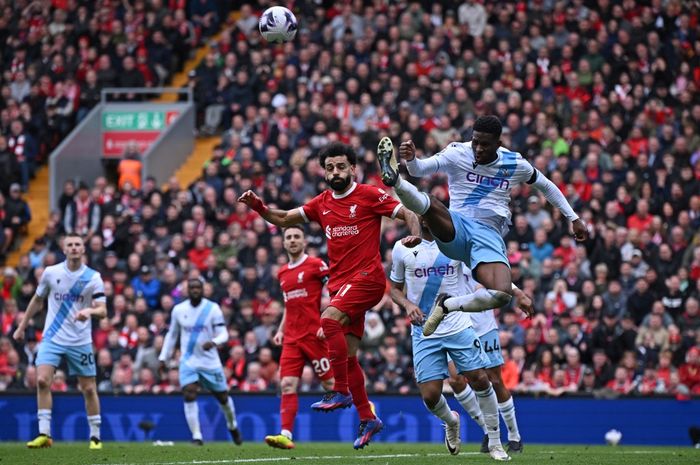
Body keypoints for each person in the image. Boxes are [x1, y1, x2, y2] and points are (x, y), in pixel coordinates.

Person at [239, 142, 420, 449]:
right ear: (324, 172)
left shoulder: (369, 194)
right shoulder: (321, 203)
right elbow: (284, 219)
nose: (335, 172)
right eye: (330, 167)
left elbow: (408, 212)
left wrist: (414, 233)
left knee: (328, 318)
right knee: (349, 358)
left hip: (368, 279)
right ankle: (368, 417)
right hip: (341, 285)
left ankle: (340, 391)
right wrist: (259, 207)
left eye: (341, 166)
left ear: (353, 169)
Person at [377, 116, 587, 335]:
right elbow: (420, 170)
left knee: (502, 294)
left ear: (498, 142)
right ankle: (396, 182)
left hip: (488, 235)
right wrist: (411, 160)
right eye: (475, 141)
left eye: (485, 144)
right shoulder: (457, 152)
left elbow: (546, 186)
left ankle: (446, 305)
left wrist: (573, 218)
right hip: (457, 226)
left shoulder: (515, 163)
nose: (478, 148)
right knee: (431, 204)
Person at [389, 219, 527, 461]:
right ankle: (451, 421)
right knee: (430, 396)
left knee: (481, 379)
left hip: (458, 326)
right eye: (423, 213)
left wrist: (517, 292)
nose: (426, 218)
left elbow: (487, 273)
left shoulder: (456, 246)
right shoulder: (403, 248)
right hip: (424, 331)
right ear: (419, 219)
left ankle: (495, 442)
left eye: (429, 212)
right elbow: (394, 289)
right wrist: (408, 304)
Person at [13, 233, 107, 449]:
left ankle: (95, 437)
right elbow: (37, 300)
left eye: (78, 245)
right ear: (64, 250)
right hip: (52, 337)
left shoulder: (93, 277)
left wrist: (89, 311)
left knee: (89, 389)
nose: (74, 248)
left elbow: (103, 311)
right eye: (70, 245)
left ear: (83, 250)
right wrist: (22, 325)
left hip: (80, 339)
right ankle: (45, 434)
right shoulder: (51, 272)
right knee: (42, 380)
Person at [265, 225, 335, 449]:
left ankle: (366, 407)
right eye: (289, 237)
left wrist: (329, 320)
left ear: (304, 241)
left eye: (297, 236)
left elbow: (334, 290)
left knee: (331, 386)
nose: (293, 240)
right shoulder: (282, 272)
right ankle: (286, 434)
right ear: (284, 243)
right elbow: (289, 305)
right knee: (286, 384)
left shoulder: (316, 265)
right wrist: (281, 330)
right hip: (292, 338)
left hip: (314, 334)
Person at [158, 278, 242, 446]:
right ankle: (197, 436)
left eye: (198, 287)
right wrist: (163, 358)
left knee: (223, 397)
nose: (195, 290)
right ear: (187, 290)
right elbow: (172, 335)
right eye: (192, 287)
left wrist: (214, 342)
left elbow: (223, 334)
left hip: (210, 362)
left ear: (203, 289)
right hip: (188, 360)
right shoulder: (179, 310)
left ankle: (232, 426)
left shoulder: (212, 309)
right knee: (189, 393)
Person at [465, 265, 526, 454]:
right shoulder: (446, 255)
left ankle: (514, 436)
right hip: (460, 329)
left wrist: (518, 292)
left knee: (495, 380)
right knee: (458, 379)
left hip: (484, 327)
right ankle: (489, 430)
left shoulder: (476, 259)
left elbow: (501, 281)